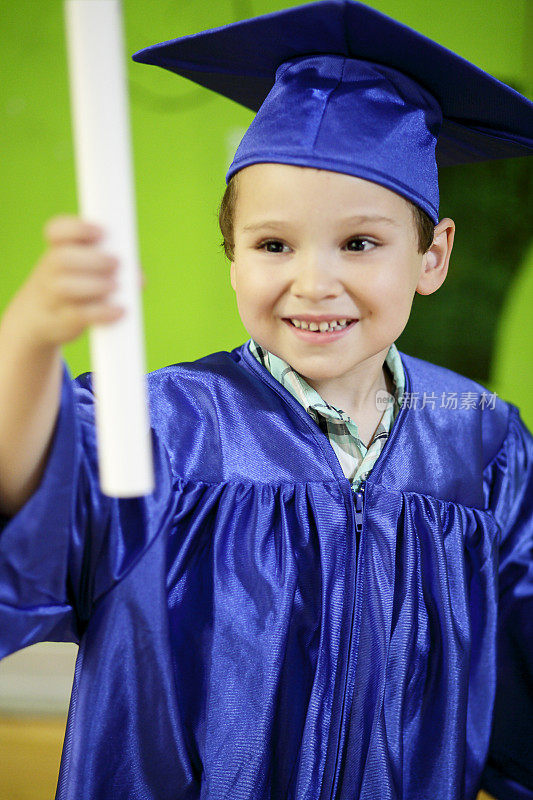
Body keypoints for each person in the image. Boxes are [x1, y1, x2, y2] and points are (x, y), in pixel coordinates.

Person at [0, 2, 532, 798]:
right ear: (232, 258)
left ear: (432, 255)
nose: (313, 282)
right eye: (273, 244)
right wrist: (30, 342)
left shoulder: (481, 442)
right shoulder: (160, 426)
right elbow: (28, 507)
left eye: (359, 243)